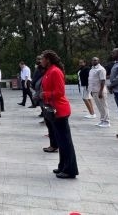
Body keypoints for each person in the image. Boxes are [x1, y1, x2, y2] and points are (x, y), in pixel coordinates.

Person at [40, 50, 79, 179]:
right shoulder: (49, 70)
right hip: (54, 109)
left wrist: (45, 94)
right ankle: (63, 166)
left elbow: (60, 92)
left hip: (59, 110)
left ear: (48, 60)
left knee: (65, 142)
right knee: (61, 141)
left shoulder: (55, 71)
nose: (41, 61)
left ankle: (70, 169)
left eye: (42, 58)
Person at [89, 57, 110, 127]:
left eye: (95, 60)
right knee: (99, 107)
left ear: (98, 61)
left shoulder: (101, 69)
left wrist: (100, 91)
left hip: (100, 91)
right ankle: (102, 120)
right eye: (92, 60)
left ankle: (107, 122)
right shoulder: (92, 69)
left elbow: (103, 80)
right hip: (94, 91)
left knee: (104, 106)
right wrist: (91, 90)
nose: (93, 61)